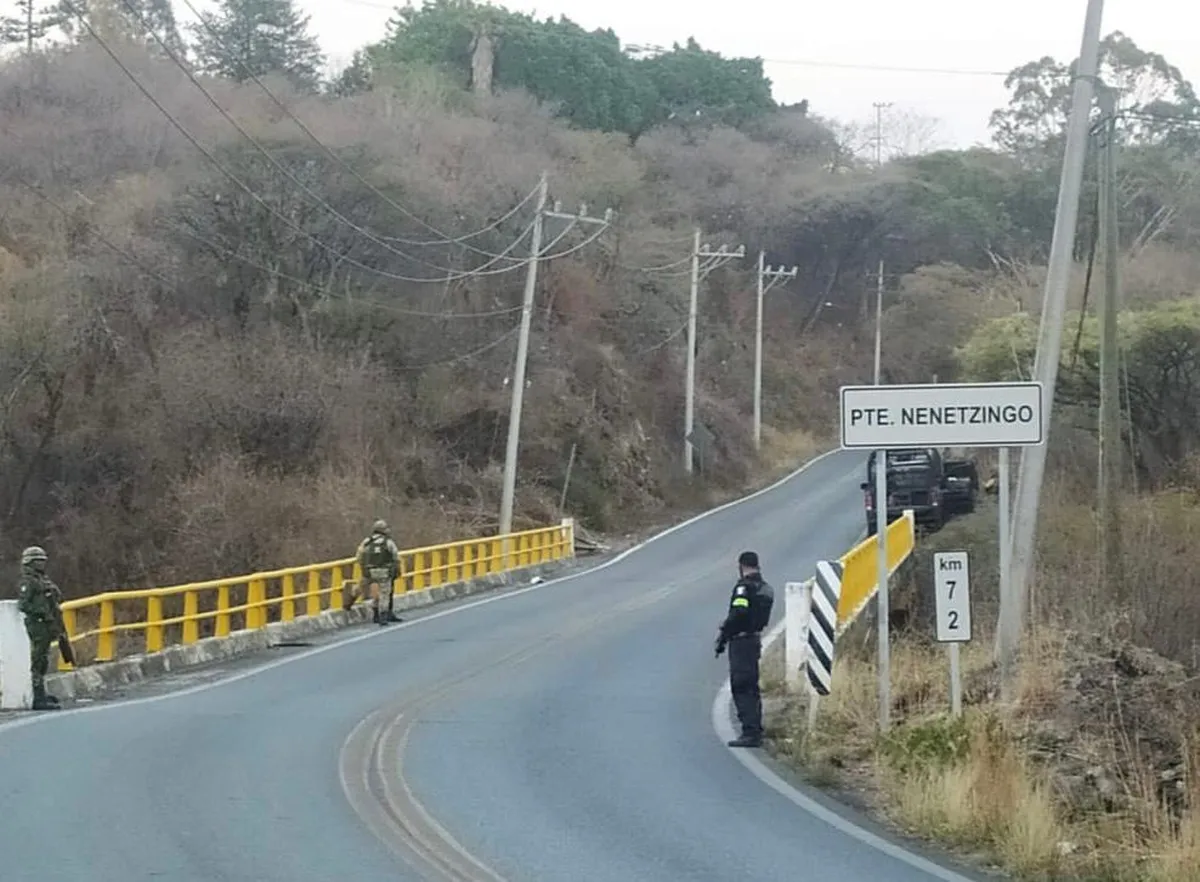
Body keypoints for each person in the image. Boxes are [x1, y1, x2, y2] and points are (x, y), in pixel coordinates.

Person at [714, 550, 774, 748]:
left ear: (741, 566)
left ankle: (750, 732)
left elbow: (739, 612)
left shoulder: (743, 588)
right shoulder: (766, 588)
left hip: (741, 642)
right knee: (752, 686)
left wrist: (725, 632)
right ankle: (755, 728)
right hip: (754, 639)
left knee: (741, 686)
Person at [17, 545, 67, 711]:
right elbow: (23, 605)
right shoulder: (28, 582)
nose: (41, 564)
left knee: (44, 659)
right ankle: (38, 697)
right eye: (37, 561)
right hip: (37, 624)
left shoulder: (43, 580)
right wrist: (42, 613)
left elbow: (56, 598)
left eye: (42, 560)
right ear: (30, 562)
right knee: (38, 660)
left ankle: (42, 694)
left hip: (46, 624)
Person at [349, 519, 402, 625]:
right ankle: (382, 616)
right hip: (384, 572)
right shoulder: (388, 542)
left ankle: (349, 601)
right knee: (384, 593)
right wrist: (396, 570)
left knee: (361, 587)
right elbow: (396, 557)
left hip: (369, 571)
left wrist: (365, 567)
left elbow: (359, 556)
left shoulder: (367, 541)